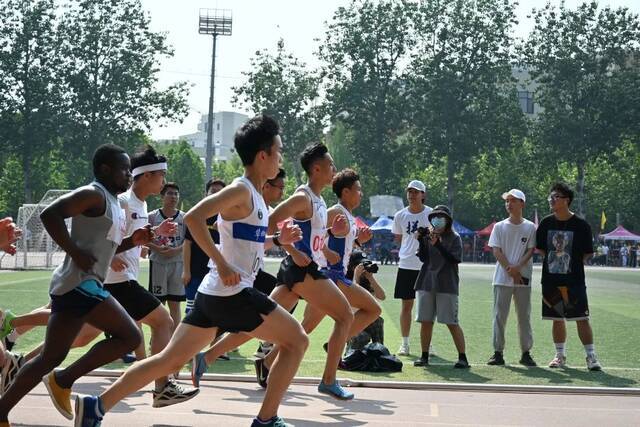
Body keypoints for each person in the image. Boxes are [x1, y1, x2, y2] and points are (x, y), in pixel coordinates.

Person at [75, 114, 308, 427]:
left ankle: (96, 406)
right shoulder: (240, 191)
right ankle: (266, 420)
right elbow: (195, 218)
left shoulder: (255, 196)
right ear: (262, 155)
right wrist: (222, 263)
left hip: (214, 295)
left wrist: (277, 239)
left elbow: (245, 242)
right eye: (278, 151)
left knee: (168, 360)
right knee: (297, 340)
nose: (281, 157)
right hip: (232, 294)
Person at [0, 144, 160, 425]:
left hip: (75, 286)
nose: (128, 175)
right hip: (81, 286)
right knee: (131, 338)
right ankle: (63, 379)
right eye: (124, 170)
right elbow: (49, 214)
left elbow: (102, 250)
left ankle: (2, 412)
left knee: (48, 357)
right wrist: (74, 251)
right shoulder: (93, 193)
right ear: (105, 169)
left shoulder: (112, 201)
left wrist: (132, 241)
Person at [536, 182, 602, 371]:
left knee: (581, 318)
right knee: (556, 318)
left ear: (567, 200)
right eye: (551, 197)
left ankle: (591, 356)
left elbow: (587, 253)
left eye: (556, 196)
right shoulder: (546, 223)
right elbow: (541, 249)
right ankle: (559, 355)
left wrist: (569, 265)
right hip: (550, 280)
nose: (552, 200)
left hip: (574, 281)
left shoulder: (581, 225)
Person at [412, 205, 468, 368]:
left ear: (448, 220)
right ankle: (424, 356)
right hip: (426, 281)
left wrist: (438, 245)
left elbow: (454, 259)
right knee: (426, 321)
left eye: (441, 217)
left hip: (447, 283)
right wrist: (421, 241)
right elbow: (423, 258)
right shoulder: (428, 235)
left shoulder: (454, 237)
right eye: (434, 216)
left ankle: (462, 357)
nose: (437, 219)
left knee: (451, 321)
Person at [487, 189, 537, 367]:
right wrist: (510, 268)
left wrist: (518, 268)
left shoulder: (530, 227)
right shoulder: (499, 226)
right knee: (500, 316)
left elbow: (531, 250)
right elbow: (496, 250)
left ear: (522, 203)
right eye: (507, 201)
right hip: (502, 278)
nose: (509, 204)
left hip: (523, 278)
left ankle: (526, 352)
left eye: (513, 201)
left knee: (524, 316)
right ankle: (497, 352)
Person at [392, 180, 432, 355]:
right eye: (409, 191)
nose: (411, 194)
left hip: (426, 266)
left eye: (416, 192)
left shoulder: (431, 214)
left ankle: (427, 344)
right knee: (406, 306)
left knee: (427, 306)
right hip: (406, 264)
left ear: (423, 194)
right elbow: (399, 238)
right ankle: (405, 343)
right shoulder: (400, 215)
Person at [182, 179, 226, 315]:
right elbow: (187, 244)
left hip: (219, 273)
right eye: (213, 192)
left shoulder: (229, 218)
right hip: (196, 272)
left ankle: (216, 337)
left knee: (217, 312)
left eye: (221, 192)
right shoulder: (196, 216)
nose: (216, 195)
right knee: (193, 311)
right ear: (205, 194)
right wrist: (186, 271)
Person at [148, 182, 186, 334]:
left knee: (175, 304)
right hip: (158, 263)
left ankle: (174, 340)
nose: (173, 197)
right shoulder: (152, 216)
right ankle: (156, 337)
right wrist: (158, 248)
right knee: (158, 303)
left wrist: (175, 250)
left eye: (176, 194)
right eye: (170, 193)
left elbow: (189, 242)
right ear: (162, 196)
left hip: (177, 264)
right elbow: (145, 239)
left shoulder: (184, 217)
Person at [345, 251, 386, 351]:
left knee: (378, 321)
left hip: (366, 321)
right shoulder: (345, 282)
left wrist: (371, 278)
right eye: (360, 266)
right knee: (363, 336)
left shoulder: (367, 281)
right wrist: (356, 277)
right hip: (351, 323)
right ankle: (350, 353)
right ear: (351, 267)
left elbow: (382, 296)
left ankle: (379, 351)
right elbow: (352, 296)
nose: (363, 269)